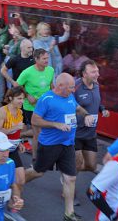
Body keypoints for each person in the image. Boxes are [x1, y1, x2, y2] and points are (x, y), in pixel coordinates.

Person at [24, 73, 93, 221]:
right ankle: (16, 181)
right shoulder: (47, 99)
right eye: (70, 87)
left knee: (71, 178)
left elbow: (78, 108)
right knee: (37, 172)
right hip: (49, 145)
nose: (73, 90)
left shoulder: (69, 96)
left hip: (67, 144)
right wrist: (56, 124)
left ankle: (69, 214)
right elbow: (35, 120)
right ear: (60, 86)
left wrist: (86, 115)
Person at [0, 86, 27, 210]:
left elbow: (16, 133)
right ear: (10, 98)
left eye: (23, 99)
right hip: (0, 151)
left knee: (21, 179)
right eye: (19, 99)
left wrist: (19, 143)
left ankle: (13, 205)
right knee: (0, 180)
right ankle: (0, 202)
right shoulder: (3, 111)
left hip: (12, 149)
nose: (21, 101)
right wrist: (14, 127)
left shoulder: (20, 112)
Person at [74, 60, 110, 175]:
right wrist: (84, 115)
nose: (98, 74)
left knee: (91, 166)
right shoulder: (76, 86)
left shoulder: (96, 85)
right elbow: (68, 104)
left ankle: (69, 171)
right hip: (76, 133)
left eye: (97, 71)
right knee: (77, 164)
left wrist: (103, 109)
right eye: (93, 72)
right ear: (84, 74)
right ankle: (69, 182)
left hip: (90, 133)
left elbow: (97, 101)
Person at [17, 48, 54, 159]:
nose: (46, 61)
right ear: (36, 59)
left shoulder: (50, 70)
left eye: (47, 58)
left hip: (46, 106)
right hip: (31, 107)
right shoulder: (27, 72)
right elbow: (17, 85)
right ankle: (35, 158)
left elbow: (51, 85)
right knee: (38, 132)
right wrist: (27, 95)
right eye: (44, 59)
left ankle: (20, 134)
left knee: (42, 131)